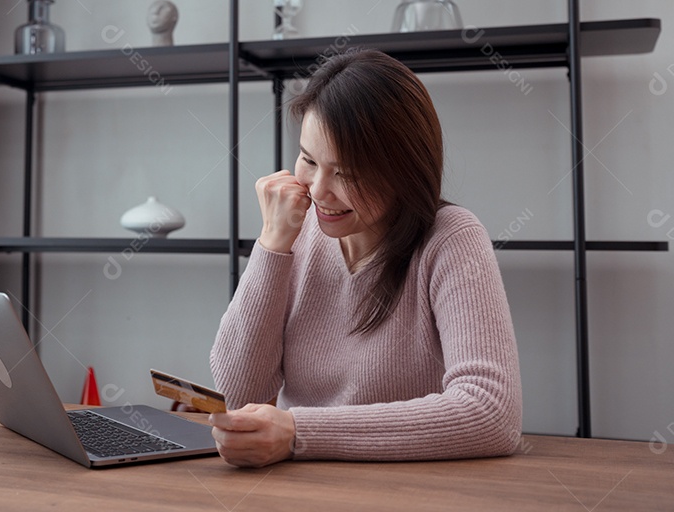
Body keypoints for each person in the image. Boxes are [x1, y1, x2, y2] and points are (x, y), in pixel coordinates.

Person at [209, 48, 522, 468]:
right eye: (308, 159)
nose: (318, 190)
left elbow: (492, 413)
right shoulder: (296, 235)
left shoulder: (451, 239)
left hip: (412, 492)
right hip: (298, 490)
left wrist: (300, 432)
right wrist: (271, 246)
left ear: (404, 171)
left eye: (347, 173)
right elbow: (237, 394)